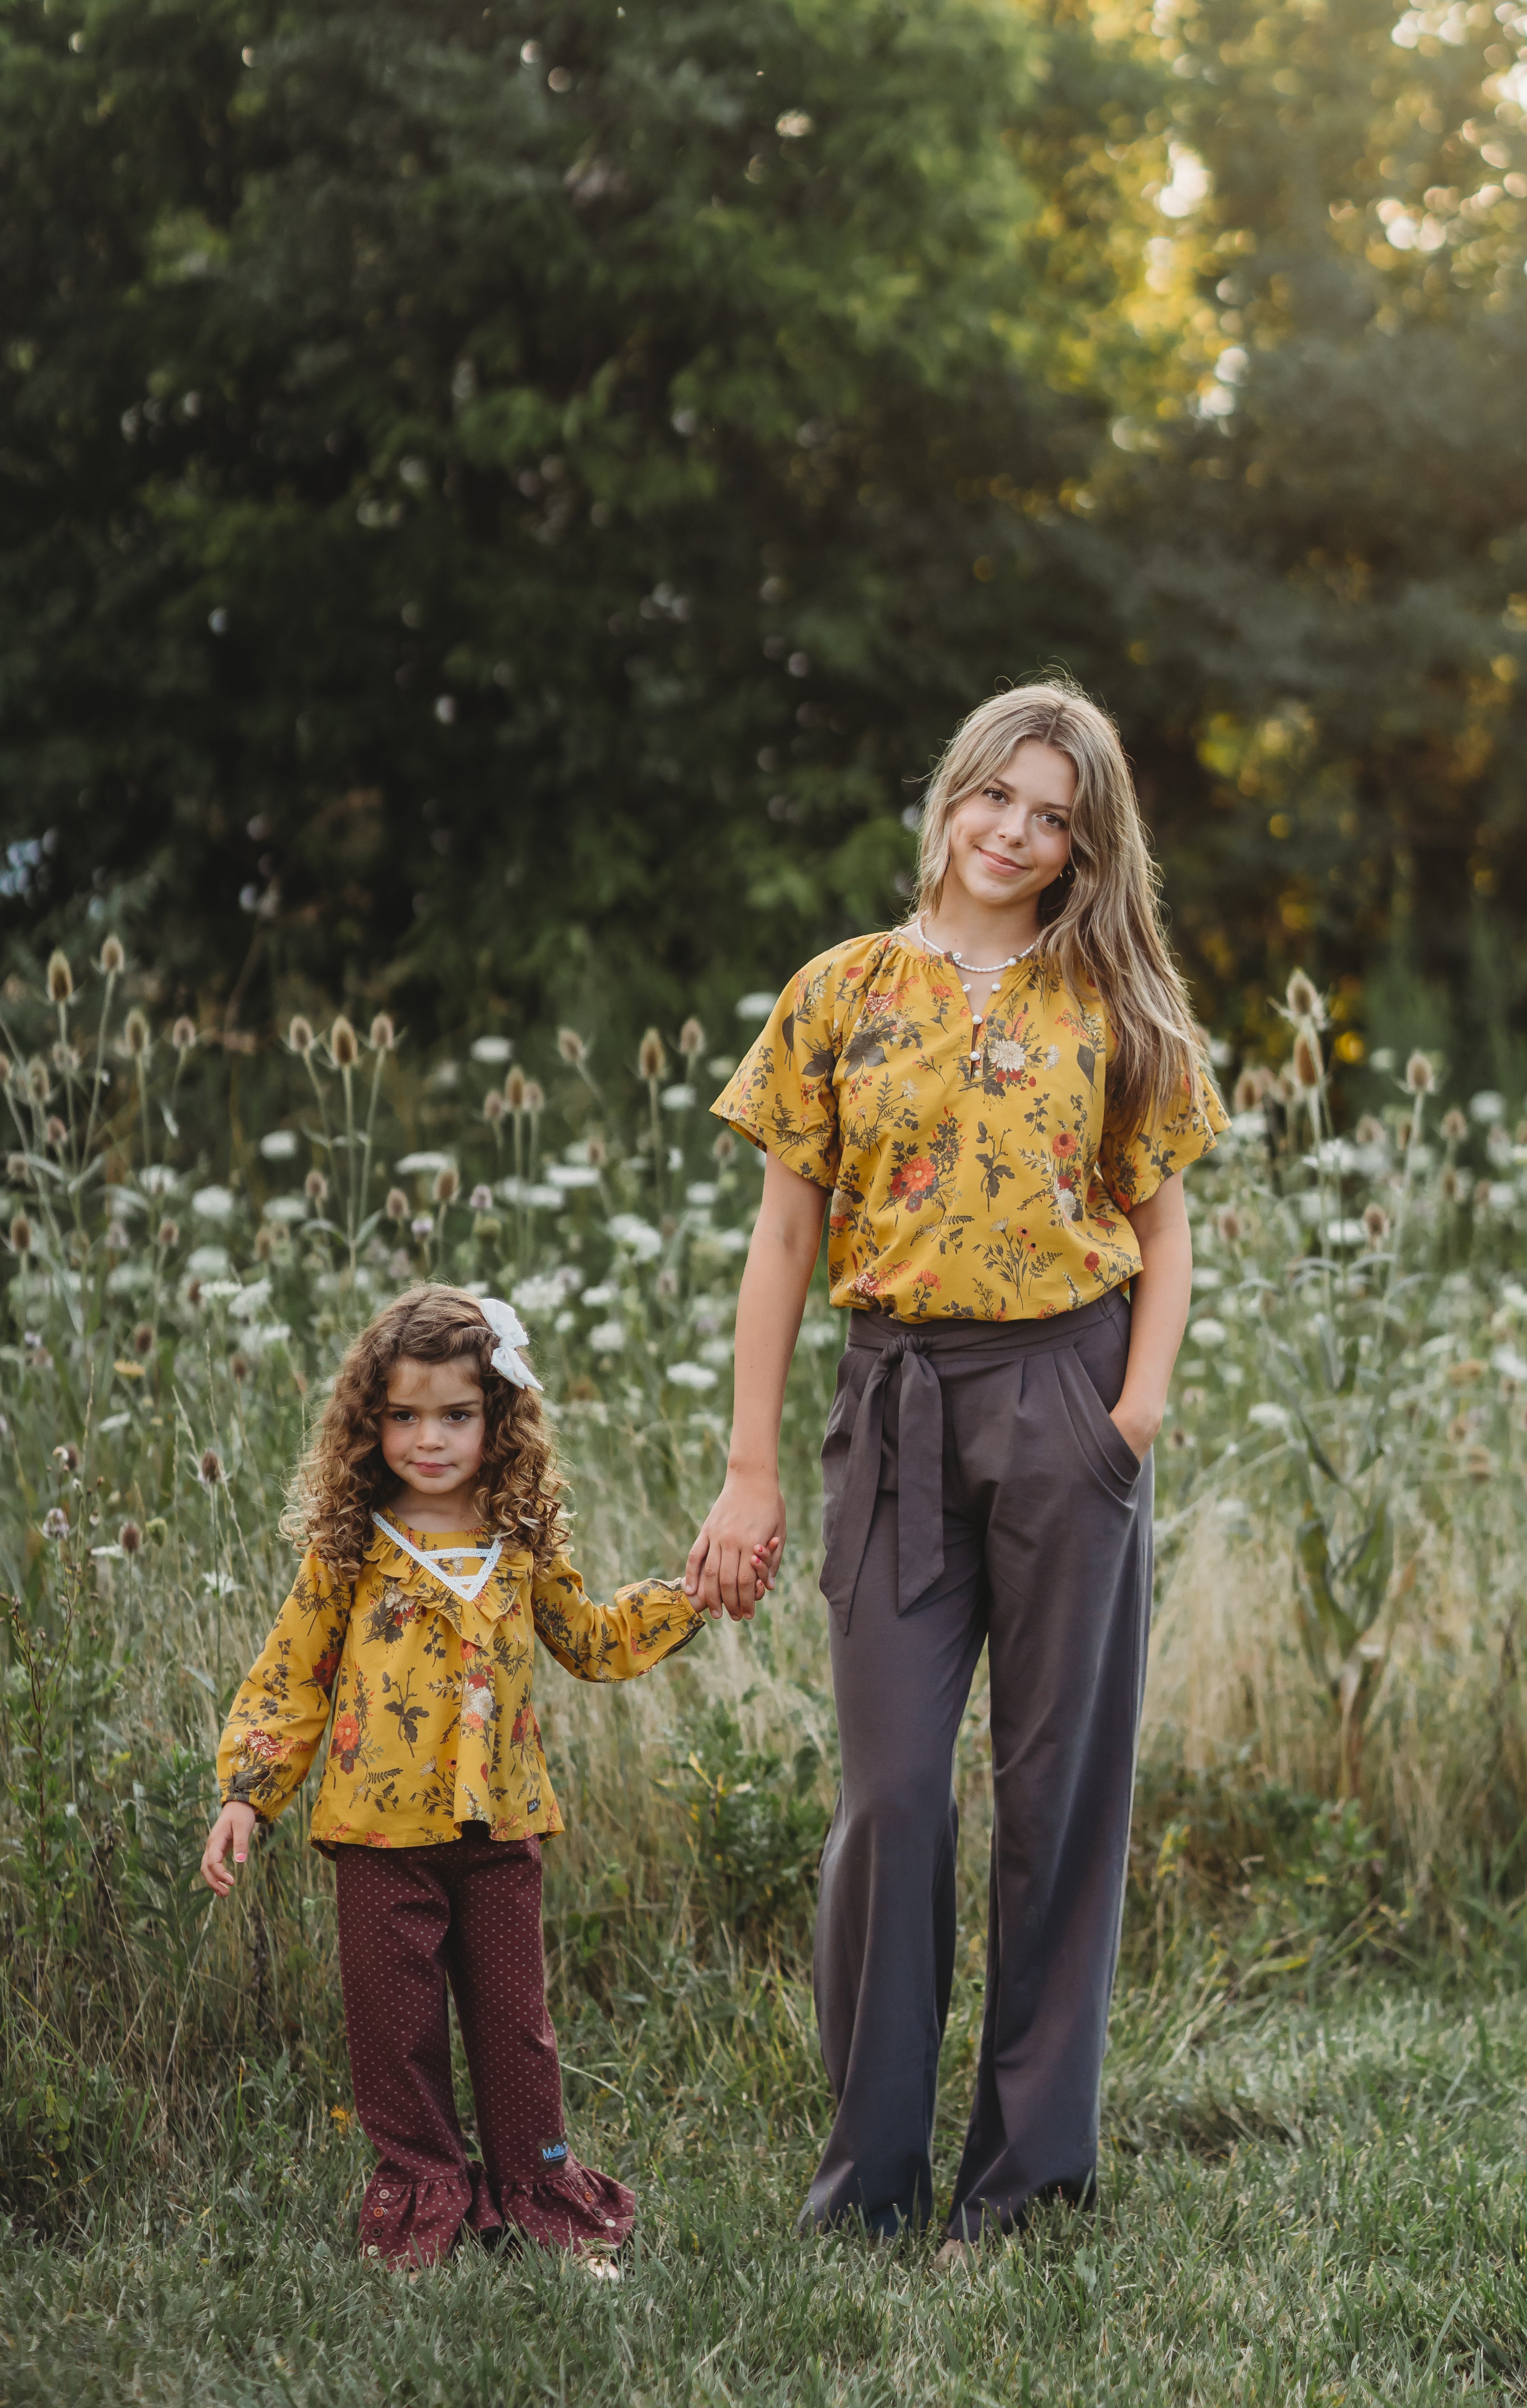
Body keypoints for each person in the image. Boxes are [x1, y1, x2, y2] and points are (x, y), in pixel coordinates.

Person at [686, 680, 1226, 2254]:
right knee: (895, 1795)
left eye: (1054, 817)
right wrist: (752, 1468)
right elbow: (784, 1238)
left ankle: (1026, 2179)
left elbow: (1170, 1231)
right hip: (898, 1404)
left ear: (1082, 848)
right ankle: (871, 2179)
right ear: (952, 795)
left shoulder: (1118, 1007)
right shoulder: (840, 991)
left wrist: (1131, 1418)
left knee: (1059, 1799)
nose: (1015, 832)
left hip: (1069, 1397)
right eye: (1000, 795)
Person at [200, 1283, 708, 2271]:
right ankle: (425, 2206)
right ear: (370, 1420)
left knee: (517, 2034)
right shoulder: (348, 1552)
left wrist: (696, 1594)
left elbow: (594, 1641)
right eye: (403, 1415)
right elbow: (290, 1676)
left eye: (456, 1414)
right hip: (376, 1836)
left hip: (501, 1830)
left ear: (497, 1417)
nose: (428, 1438)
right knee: (396, 2040)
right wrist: (245, 1794)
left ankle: (542, 2195)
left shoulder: (519, 1550)